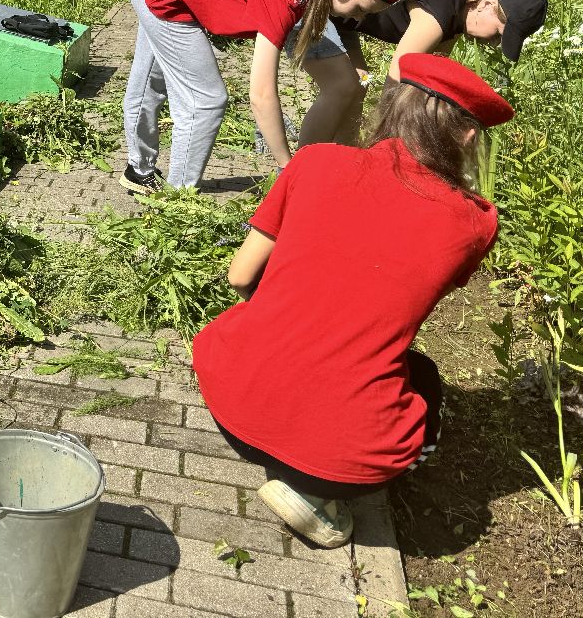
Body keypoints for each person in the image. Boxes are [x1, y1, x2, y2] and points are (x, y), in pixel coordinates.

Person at [192, 54, 513, 549]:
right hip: (340, 458)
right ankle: (318, 495)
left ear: (390, 107)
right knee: (424, 384)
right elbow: (399, 303)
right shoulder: (474, 223)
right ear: (468, 136)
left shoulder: (315, 161)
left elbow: (240, 276)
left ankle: (290, 450)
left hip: (228, 398)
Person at [121, 0, 412, 192]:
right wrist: (287, 165)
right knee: (205, 101)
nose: (359, 19)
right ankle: (177, 200)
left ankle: (138, 171)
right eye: (361, 9)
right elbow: (261, 95)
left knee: (148, 82)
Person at [294, 0, 548, 145]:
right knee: (343, 87)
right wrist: (384, 144)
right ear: (488, 4)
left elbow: (425, 84)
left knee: (359, 84)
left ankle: (343, 165)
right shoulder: (442, 7)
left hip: (344, 13)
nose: (494, 43)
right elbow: (397, 79)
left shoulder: (456, 12)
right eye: (500, 33)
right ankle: (299, 173)